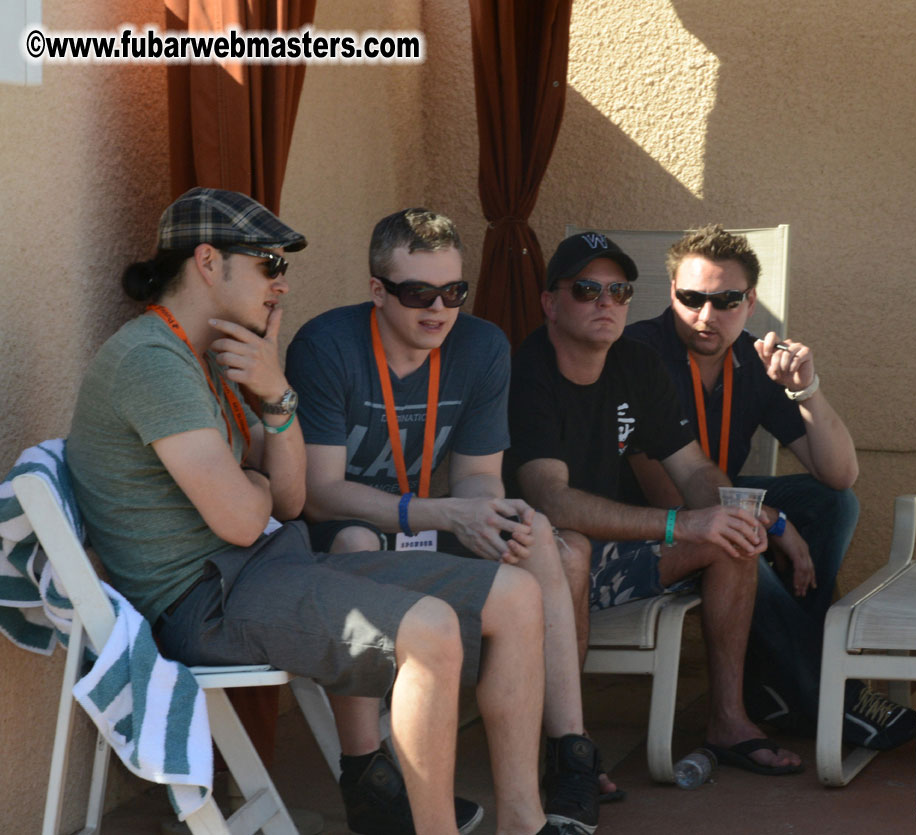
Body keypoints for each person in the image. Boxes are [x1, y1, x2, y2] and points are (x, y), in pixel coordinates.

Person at [65, 188, 567, 835]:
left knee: (517, 593)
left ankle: (523, 822)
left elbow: (289, 497)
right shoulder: (151, 361)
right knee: (432, 629)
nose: (281, 284)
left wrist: (275, 398)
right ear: (209, 262)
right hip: (210, 598)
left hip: (267, 567)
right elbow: (248, 516)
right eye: (269, 265)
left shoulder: (208, 359)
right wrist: (255, 478)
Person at [285, 208, 608, 835]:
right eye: (418, 294)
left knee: (532, 534)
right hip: (348, 524)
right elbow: (320, 495)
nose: (438, 309)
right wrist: (441, 512)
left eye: (454, 292)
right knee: (353, 541)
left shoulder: (482, 345)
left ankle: (568, 754)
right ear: (378, 291)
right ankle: (367, 772)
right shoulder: (326, 345)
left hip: (426, 515)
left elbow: (478, 476)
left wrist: (487, 510)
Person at [508, 231, 802, 776]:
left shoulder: (636, 364)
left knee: (729, 537)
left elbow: (691, 470)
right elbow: (551, 500)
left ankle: (728, 721)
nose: (605, 303)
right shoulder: (529, 371)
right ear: (551, 302)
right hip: (535, 564)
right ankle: (567, 748)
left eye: (619, 292)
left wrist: (750, 516)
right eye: (587, 289)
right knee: (570, 545)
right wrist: (683, 523)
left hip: (611, 557)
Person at [621, 224, 912, 749]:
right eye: (691, 298)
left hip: (717, 500)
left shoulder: (753, 360)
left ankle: (778, 684)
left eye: (726, 300)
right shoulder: (640, 352)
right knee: (745, 540)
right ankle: (832, 695)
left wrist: (807, 391)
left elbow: (841, 473)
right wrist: (773, 522)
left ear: (750, 301)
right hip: (647, 520)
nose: (706, 315)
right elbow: (665, 494)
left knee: (832, 503)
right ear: (672, 294)